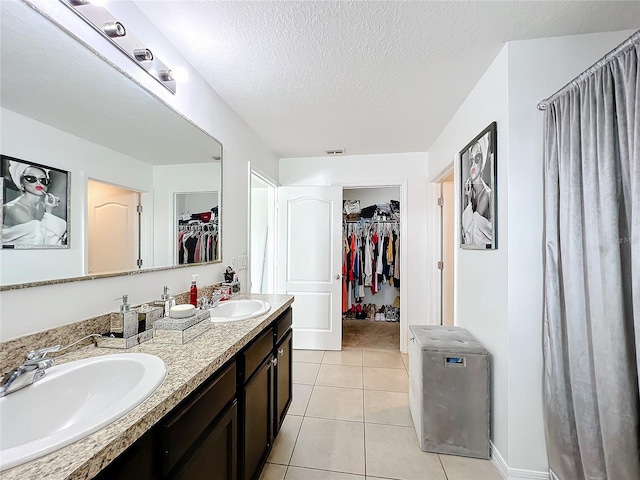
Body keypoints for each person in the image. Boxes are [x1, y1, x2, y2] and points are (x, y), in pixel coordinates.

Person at [2, 160, 67, 246]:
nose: (38, 182)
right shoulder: (14, 209)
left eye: (43, 180)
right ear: (21, 184)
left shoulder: (46, 205)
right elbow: (42, 243)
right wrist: (49, 213)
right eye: (31, 178)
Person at [461, 135, 492, 245]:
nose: (473, 164)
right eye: (471, 160)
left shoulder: (486, 194)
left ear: (482, 162)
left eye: (477, 158)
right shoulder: (470, 192)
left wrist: (468, 200)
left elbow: (473, 236)